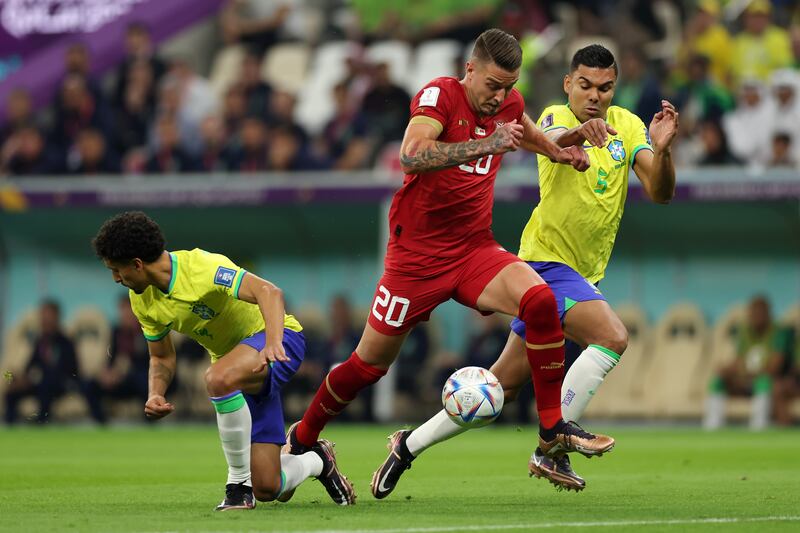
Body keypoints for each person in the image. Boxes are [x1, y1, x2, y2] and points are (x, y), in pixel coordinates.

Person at [281, 29, 614, 503]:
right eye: (493, 85)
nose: (499, 96)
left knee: (540, 299)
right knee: (367, 365)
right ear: (470, 69)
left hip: (473, 249)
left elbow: (527, 132)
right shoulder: (440, 94)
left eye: (509, 87)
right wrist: (486, 146)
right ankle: (305, 439)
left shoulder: (507, 104)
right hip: (415, 260)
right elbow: (411, 156)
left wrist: (561, 149)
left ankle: (550, 433)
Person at [372, 44, 678, 495]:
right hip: (545, 263)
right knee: (612, 337)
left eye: (605, 88)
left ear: (616, 88)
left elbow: (660, 191)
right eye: (585, 86)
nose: (594, 96)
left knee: (498, 390)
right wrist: (580, 133)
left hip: (584, 274)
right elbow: (553, 141)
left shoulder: (629, 126)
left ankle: (407, 446)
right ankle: (551, 442)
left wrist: (663, 151)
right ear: (568, 85)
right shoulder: (554, 116)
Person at [91, 211, 355, 510]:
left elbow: (269, 292)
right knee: (270, 486)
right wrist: (155, 392)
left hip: (279, 341)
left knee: (217, 377)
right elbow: (162, 356)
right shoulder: (142, 299)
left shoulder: (201, 267)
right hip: (237, 371)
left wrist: (272, 342)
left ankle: (237, 488)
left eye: (116, 270)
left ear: (137, 264)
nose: (115, 278)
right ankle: (316, 460)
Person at [704, 295, 793, 430]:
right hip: (745, 381)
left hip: (765, 382)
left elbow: (774, 367)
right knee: (718, 380)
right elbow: (738, 361)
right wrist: (726, 370)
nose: (756, 316)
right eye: (753, 312)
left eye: (760, 312)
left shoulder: (779, 332)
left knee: (764, 382)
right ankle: (713, 426)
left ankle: (758, 426)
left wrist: (745, 372)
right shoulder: (745, 332)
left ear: (768, 313)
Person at [4, 300, 99, 424]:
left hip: (62, 383)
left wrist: (42, 375)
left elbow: (72, 371)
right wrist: (20, 378)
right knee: (11, 388)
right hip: (41, 383)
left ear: (57, 318)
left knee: (47, 382)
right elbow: (30, 366)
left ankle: (41, 422)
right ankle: (9, 425)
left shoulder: (66, 342)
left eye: (49, 316)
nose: (45, 320)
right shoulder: (40, 342)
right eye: (43, 316)